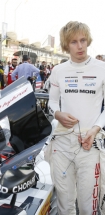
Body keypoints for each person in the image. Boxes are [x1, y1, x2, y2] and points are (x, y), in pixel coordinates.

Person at [47, 21, 105, 215]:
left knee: (89, 207)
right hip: (62, 144)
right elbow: (51, 103)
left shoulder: (101, 68)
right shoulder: (58, 71)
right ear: (66, 45)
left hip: (90, 144)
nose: (80, 46)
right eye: (73, 42)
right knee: (64, 204)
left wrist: (96, 128)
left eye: (82, 40)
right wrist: (58, 114)